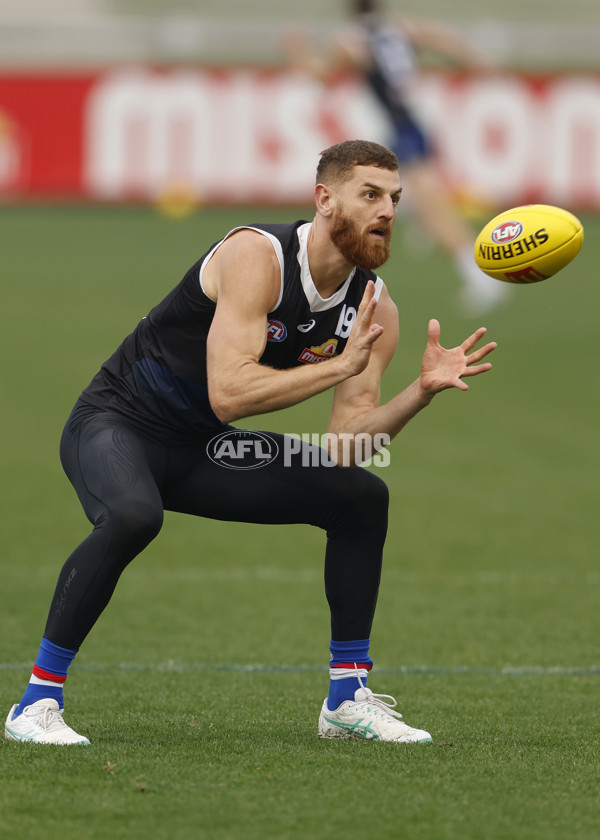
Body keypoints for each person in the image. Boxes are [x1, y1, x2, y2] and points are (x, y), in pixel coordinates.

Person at [4, 139, 496, 746]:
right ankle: (36, 702)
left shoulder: (373, 307)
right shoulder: (255, 255)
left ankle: (347, 699)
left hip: (200, 448)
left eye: (395, 198)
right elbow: (229, 394)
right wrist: (339, 366)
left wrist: (418, 393)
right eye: (370, 195)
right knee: (133, 515)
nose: (388, 211)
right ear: (324, 199)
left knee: (360, 496)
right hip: (115, 424)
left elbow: (346, 445)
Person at [284, 0, 510, 313]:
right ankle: (418, 216)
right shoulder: (397, 28)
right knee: (406, 195)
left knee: (431, 206)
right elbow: (442, 38)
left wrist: (296, 49)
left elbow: (319, 74)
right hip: (411, 122)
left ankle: (479, 271)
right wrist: (474, 57)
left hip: (397, 127)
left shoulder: (352, 40)